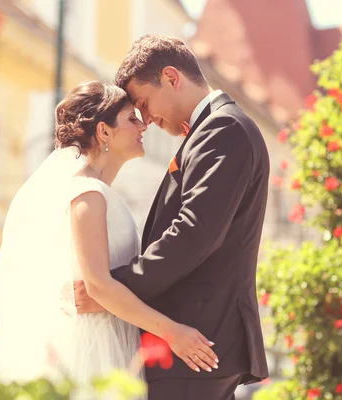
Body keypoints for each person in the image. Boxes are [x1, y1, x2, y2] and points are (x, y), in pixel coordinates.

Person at [0, 81, 218, 398]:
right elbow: (98, 285)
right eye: (132, 119)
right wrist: (172, 332)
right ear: (104, 132)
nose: (143, 125)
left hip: (111, 337)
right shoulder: (87, 193)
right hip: (88, 348)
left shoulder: (100, 193)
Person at [74, 35, 270, 400]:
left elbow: (193, 234)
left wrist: (111, 291)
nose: (145, 119)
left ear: (171, 77)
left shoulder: (223, 130)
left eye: (144, 104)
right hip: (193, 340)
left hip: (196, 339)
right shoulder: (210, 131)